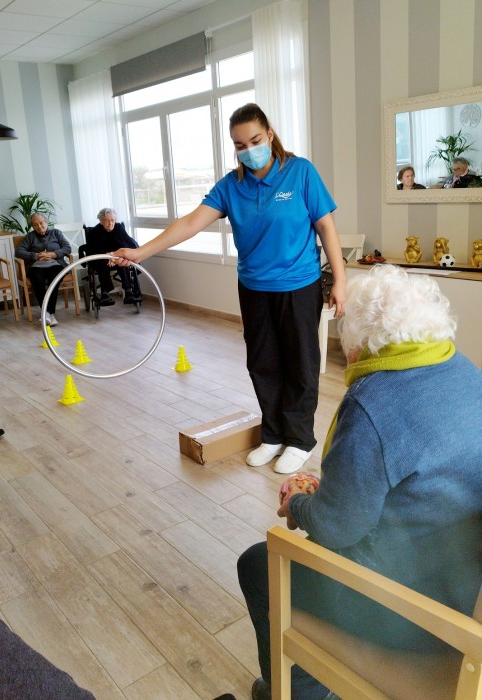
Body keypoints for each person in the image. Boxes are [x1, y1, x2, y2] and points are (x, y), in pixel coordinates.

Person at [237, 264, 482, 700]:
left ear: (359, 345)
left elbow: (337, 527)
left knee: (258, 564)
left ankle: (300, 689)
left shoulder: (373, 403)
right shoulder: (466, 372)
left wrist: (297, 504)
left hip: (412, 609)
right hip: (464, 585)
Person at [111, 103, 346, 474]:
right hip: (253, 287)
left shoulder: (300, 172)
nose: (248, 150)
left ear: (269, 134)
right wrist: (141, 252)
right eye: (240, 145)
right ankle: (273, 434)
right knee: (262, 363)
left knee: (300, 363)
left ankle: (300, 440)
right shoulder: (231, 186)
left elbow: (326, 227)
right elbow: (190, 223)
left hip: (298, 285)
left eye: (255, 140)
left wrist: (341, 281)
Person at [15, 213, 71, 326]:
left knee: (54, 281)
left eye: (41, 223)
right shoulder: (30, 237)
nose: (39, 227)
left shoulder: (56, 233)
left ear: (46, 222)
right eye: (35, 225)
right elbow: (18, 251)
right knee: (37, 280)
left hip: (55, 264)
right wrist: (36, 256)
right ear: (32, 226)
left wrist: (52, 254)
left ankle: (47, 313)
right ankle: (49, 314)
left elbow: (67, 248)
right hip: (36, 266)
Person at [85, 208, 141, 306]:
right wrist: (107, 257)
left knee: (123, 261)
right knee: (102, 263)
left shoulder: (119, 228)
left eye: (112, 220)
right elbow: (93, 250)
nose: (110, 223)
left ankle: (128, 292)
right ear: (101, 221)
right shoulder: (95, 231)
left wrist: (115, 256)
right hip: (103, 259)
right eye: (107, 221)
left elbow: (128, 243)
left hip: (117, 258)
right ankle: (105, 294)